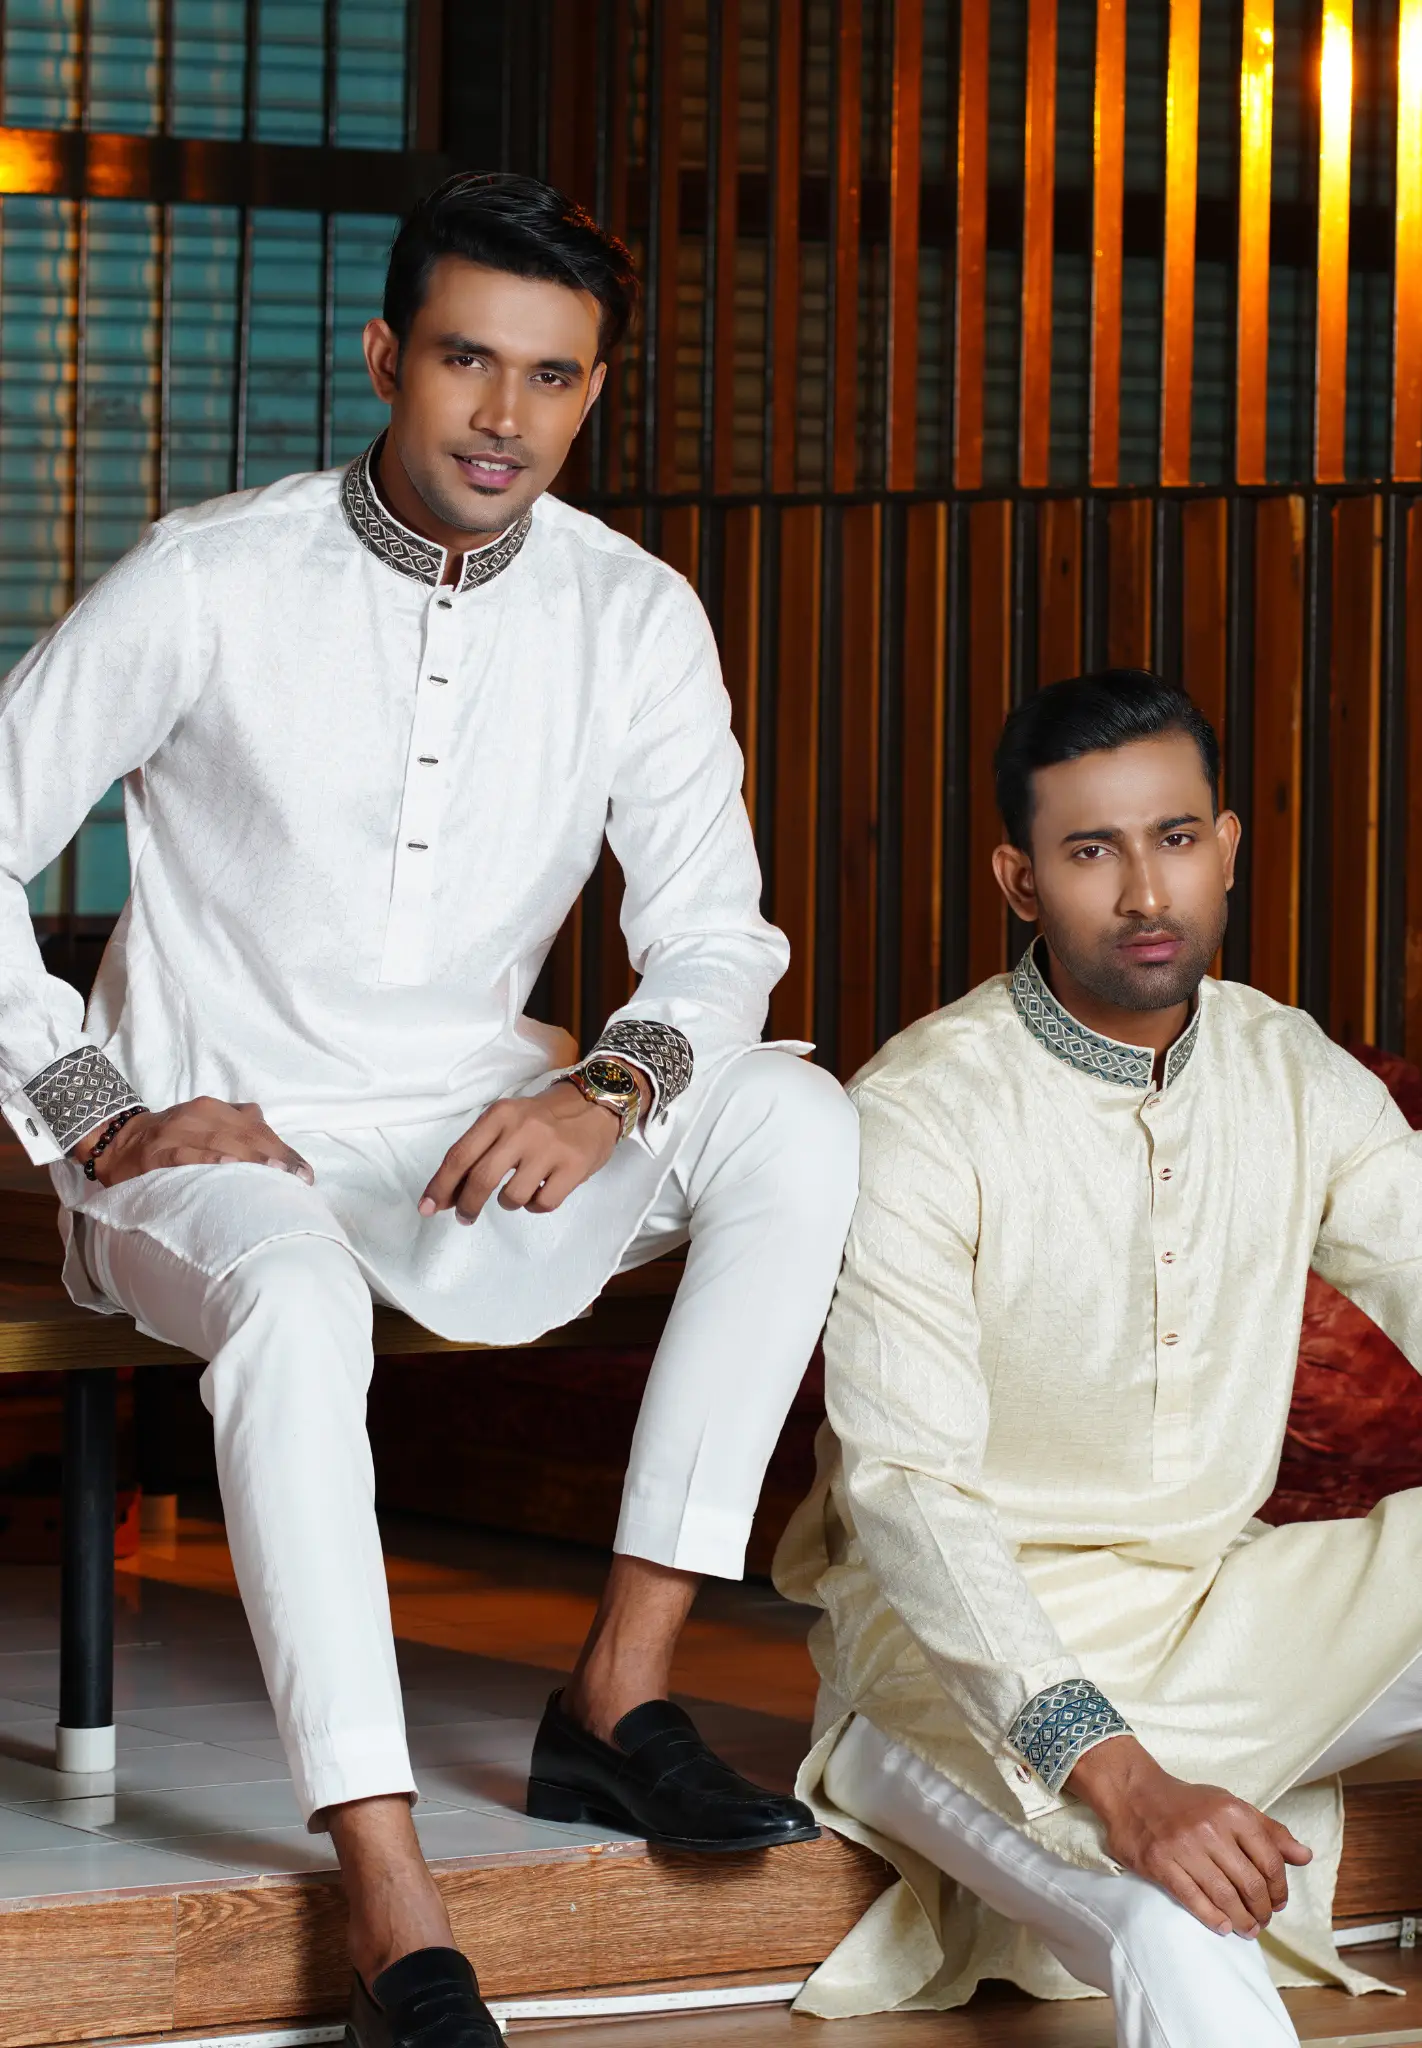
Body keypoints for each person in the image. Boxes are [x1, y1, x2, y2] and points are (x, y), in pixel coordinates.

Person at [0, 174, 860, 2047]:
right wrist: (95, 1108)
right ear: (387, 356)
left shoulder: (631, 611)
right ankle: (388, 1890)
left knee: (800, 1125)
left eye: (551, 378)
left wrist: (609, 1086)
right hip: (216, 1142)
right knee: (297, 1292)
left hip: (475, 1126)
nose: (502, 417)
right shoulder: (210, 576)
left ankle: (619, 1693)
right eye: (468, 361)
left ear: (592, 391)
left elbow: (717, 935)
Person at [774, 669, 1422, 2048]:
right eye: (1090, 852)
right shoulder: (920, 1114)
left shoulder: (1290, 1069)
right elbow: (906, 1497)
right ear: (1019, 880)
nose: (1144, 893)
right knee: (1180, 1918)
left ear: (1226, 846)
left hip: (1219, 1614)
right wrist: (1124, 1782)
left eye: (1175, 838)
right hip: (950, 1674)